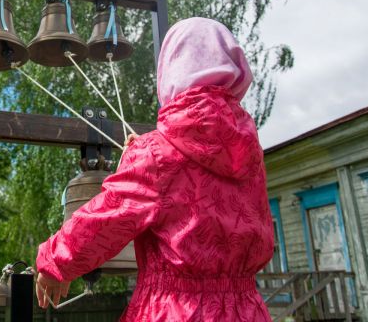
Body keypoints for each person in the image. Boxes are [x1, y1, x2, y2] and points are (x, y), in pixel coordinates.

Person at [35, 17, 274, 321]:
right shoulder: (249, 156)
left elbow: (107, 218)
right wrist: (141, 154)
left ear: (171, 71)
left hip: (177, 310)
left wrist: (55, 261)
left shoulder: (158, 154)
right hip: (247, 309)